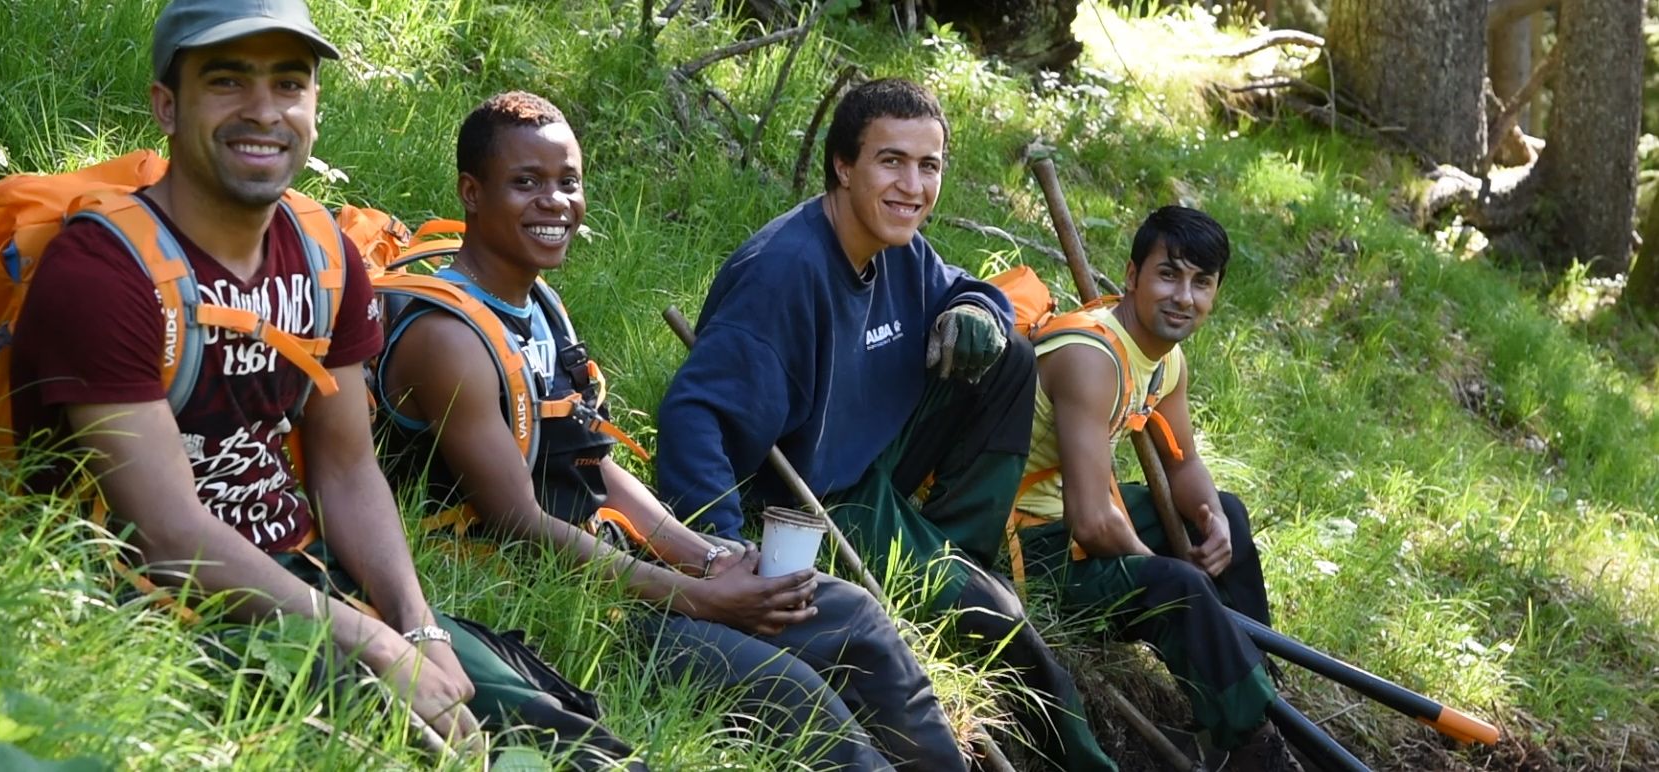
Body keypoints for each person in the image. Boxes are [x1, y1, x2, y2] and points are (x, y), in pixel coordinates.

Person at [9, 3, 637, 768]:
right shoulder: (103, 272)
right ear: (167, 106)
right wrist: (372, 642)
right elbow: (169, 537)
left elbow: (346, 467)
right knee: (417, 747)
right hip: (155, 605)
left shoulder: (322, 256)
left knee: (567, 741)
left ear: (312, 106)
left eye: (289, 83)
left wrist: (416, 628)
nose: (264, 111)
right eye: (227, 82)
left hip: (310, 584)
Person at [372, 91, 968, 772]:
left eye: (568, 182)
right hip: (560, 595)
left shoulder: (539, 304)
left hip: (616, 561)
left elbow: (592, 463)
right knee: (797, 697)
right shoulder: (449, 337)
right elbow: (517, 522)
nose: (554, 203)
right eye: (525, 183)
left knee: (854, 616)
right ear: (471, 193)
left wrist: (708, 554)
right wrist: (703, 596)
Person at [654, 77, 1116, 771]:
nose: (912, 185)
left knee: (1010, 358)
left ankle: (953, 551)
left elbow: (969, 289)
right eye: (890, 161)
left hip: (868, 453)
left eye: (927, 166)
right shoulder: (784, 276)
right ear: (844, 165)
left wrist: (978, 316)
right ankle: (1078, 755)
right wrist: (718, 552)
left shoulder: (895, 243)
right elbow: (693, 418)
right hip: (810, 498)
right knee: (1003, 627)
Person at [1013, 206, 1299, 770]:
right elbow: (1094, 522)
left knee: (1231, 520)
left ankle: (1253, 678)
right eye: (1168, 274)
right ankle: (1251, 743)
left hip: (1072, 524)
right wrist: (1169, 571)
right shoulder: (1091, 357)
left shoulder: (1165, 362)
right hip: (1026, 550)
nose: (1183, 297)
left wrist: (1211, 517)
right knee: (1177, 585)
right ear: (1132, 276)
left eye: (1202, 283)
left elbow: (1183, 462)